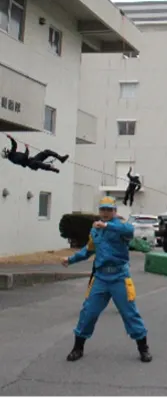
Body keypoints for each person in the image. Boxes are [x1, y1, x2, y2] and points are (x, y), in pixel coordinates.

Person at [62, 196, 152, 363]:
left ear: (114, 212)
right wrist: (71, 260)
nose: (105, 213)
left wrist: (108, 225)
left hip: (119, 277)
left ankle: (143, 348)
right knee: (88, 311)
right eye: (102, 210)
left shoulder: (119, 226)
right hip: (101, 277)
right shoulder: (95, 231)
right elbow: (88, 250)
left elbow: (129, 231)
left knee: (130, 313)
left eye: (108, 210)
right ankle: (78, 347)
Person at [2, 134, 68, 173]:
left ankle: (60, 158)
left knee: (46, 152)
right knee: (38, 163)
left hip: (32, 159)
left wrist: (11, 138)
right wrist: (27, 148)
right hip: (30, 164)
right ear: (7, 154)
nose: (8, 150)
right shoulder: (13, 159)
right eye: (7, 150)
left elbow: (14, 145)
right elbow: (25, 157)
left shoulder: (12, 153)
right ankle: (51, 168)